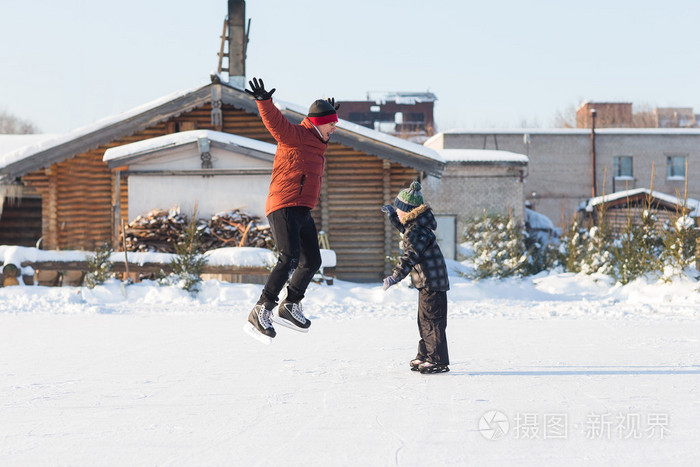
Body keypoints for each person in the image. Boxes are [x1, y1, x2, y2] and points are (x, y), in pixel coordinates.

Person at [244, 77, 339, 343]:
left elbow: (321, 124)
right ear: (320, 123)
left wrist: (328, 112)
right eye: (331, 123)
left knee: (312, 261)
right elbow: (276, 124)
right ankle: (261, 309)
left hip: (302, 208)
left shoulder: (319, 142)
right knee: (289, 257)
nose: (334, 128)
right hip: (283, 204)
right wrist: (264, 102)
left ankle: (290, 306)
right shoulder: (296, 136)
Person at [381, 181, 450, 373]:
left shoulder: (416, 230)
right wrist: (393, 217)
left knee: (432, 321)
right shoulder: (417, 225)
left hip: (431, 282)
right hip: (430, 282)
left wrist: (395, 277)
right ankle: (426, 355)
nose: (396, 210)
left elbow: (409, 255)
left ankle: (437, 360)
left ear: (407, 211)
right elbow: (406, 230)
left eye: (398, 209)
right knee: (424, 320)